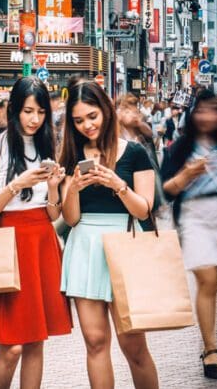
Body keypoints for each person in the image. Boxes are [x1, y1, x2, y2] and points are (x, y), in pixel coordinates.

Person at [0, 77, 72, 389]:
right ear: (14, 109)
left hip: (42, 241)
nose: (34, 119)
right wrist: (18, 184)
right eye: (28, 111)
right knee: (12, 345)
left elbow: (53, 213)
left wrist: (54, 187)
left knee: (36, 342)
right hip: (10, 244)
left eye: (41, 112)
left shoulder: (46, 148)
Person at [59, 80, 159, 389]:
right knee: (95, 341)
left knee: (133, 345)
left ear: (106, 110)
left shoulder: (135, 153)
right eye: (78, 120)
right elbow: (71, 219)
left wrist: (118, 184)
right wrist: (73, 188)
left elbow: (144, 210)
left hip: (124, 245)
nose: (87, 125)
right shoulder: (71, 155)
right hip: (84, 246)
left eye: (92, 115)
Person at [160, 89, 217, 380]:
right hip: (196, 215)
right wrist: (185, 176)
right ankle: (210, 348)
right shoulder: (180, 149)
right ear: (193, 114)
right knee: (207, 279)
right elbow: (166, 191)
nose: (207, 116)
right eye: (202, 110)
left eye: (214, 110)